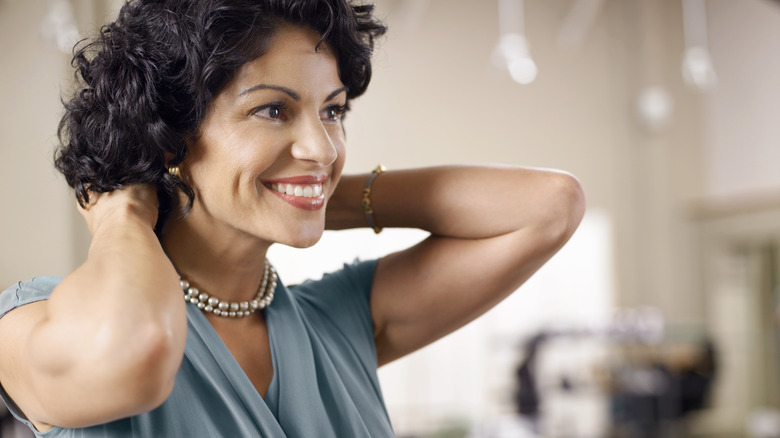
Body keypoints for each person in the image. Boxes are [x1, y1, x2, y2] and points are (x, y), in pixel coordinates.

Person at [0, 0, 586, 436]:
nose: (324, 147)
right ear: (169, 140)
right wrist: (122, 212)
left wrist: (311, 193)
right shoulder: (31, 319)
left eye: (332, 112)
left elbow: (550, 206)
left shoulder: (337, 321)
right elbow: (134, 354)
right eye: (273, 109)